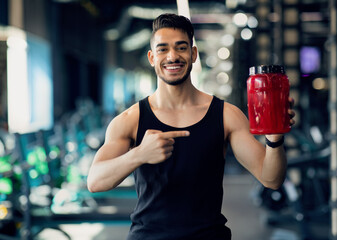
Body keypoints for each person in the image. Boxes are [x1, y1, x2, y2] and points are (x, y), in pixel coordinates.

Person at [87, 13, 296, 240]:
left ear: (193, 54)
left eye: (181, 47)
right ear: (151, 57)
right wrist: (139, 154)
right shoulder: (130, 120)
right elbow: (95, 181)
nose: (172, 56)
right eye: (163, 49)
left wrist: (275, 138)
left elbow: (271, 179)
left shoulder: (226, 115)